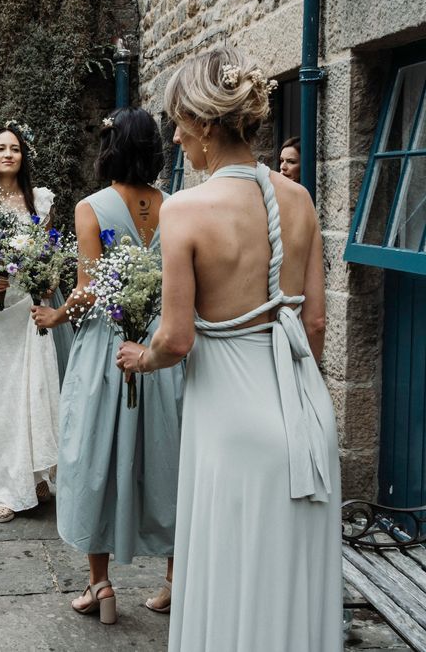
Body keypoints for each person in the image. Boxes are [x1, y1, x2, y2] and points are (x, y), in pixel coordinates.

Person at [117, 48, 342, 651]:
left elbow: (177, 336)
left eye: (179, 123)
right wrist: (296, 395)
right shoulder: (300, 200)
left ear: (208, 126)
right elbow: (315, 323)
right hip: (305, 419)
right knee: (289, 583)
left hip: (232, 428)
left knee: (231, 573)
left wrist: (143, 357)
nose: (176, 137)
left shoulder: (184, 209)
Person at [34, 107, 184, 624]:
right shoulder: (176, 206)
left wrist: (56, 316)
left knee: (93, 458)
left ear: (112, 148)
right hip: (161, 352)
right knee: (168, 460)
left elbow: (89, 288)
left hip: (106, 349)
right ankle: (172, 582)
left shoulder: (91, 207)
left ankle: (100, 587)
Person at [0, 120, 70, 523]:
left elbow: (50, 255)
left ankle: (36, 473)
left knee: (35, 388)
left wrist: (47, 281)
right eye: (1, 148)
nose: (8, 154)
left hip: (29, 305)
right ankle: (2, 487)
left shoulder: (39, 201)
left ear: (24, 156)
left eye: (15, 149)